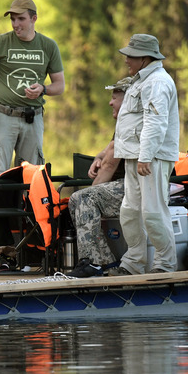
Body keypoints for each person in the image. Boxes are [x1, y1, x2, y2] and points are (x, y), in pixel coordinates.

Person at [108, 34, 180, 276]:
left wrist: (146, 156)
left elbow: (155, 122)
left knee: (153, 211)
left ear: (145, 57)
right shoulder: (141, 80)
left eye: (132, 55)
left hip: (152, 158)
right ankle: (133, 262)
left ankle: (164, 264)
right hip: (135, 156)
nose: (126, 59)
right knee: (130, 211)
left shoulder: (157, 82)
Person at [0, 0, 65, 179]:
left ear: (34, 19)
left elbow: (60, 86)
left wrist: (43, 89)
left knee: (33, 176)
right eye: (12, 19)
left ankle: (29, 208)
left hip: (33, 118)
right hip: (2, 117)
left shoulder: (48, 46)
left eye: (21, 19)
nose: (15, 24)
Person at [66, 77, 132, 277]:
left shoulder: (130, 121)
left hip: (136, 185)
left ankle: (95, 263)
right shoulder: (125, 121)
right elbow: (109, 151)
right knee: (75, 200)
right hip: (125, 185)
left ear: (128, 100)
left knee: (84, 198)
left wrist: (91, 190)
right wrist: (98, 158)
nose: (110, 102)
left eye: (114, 98)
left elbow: (110, 163)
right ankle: (104, 262)